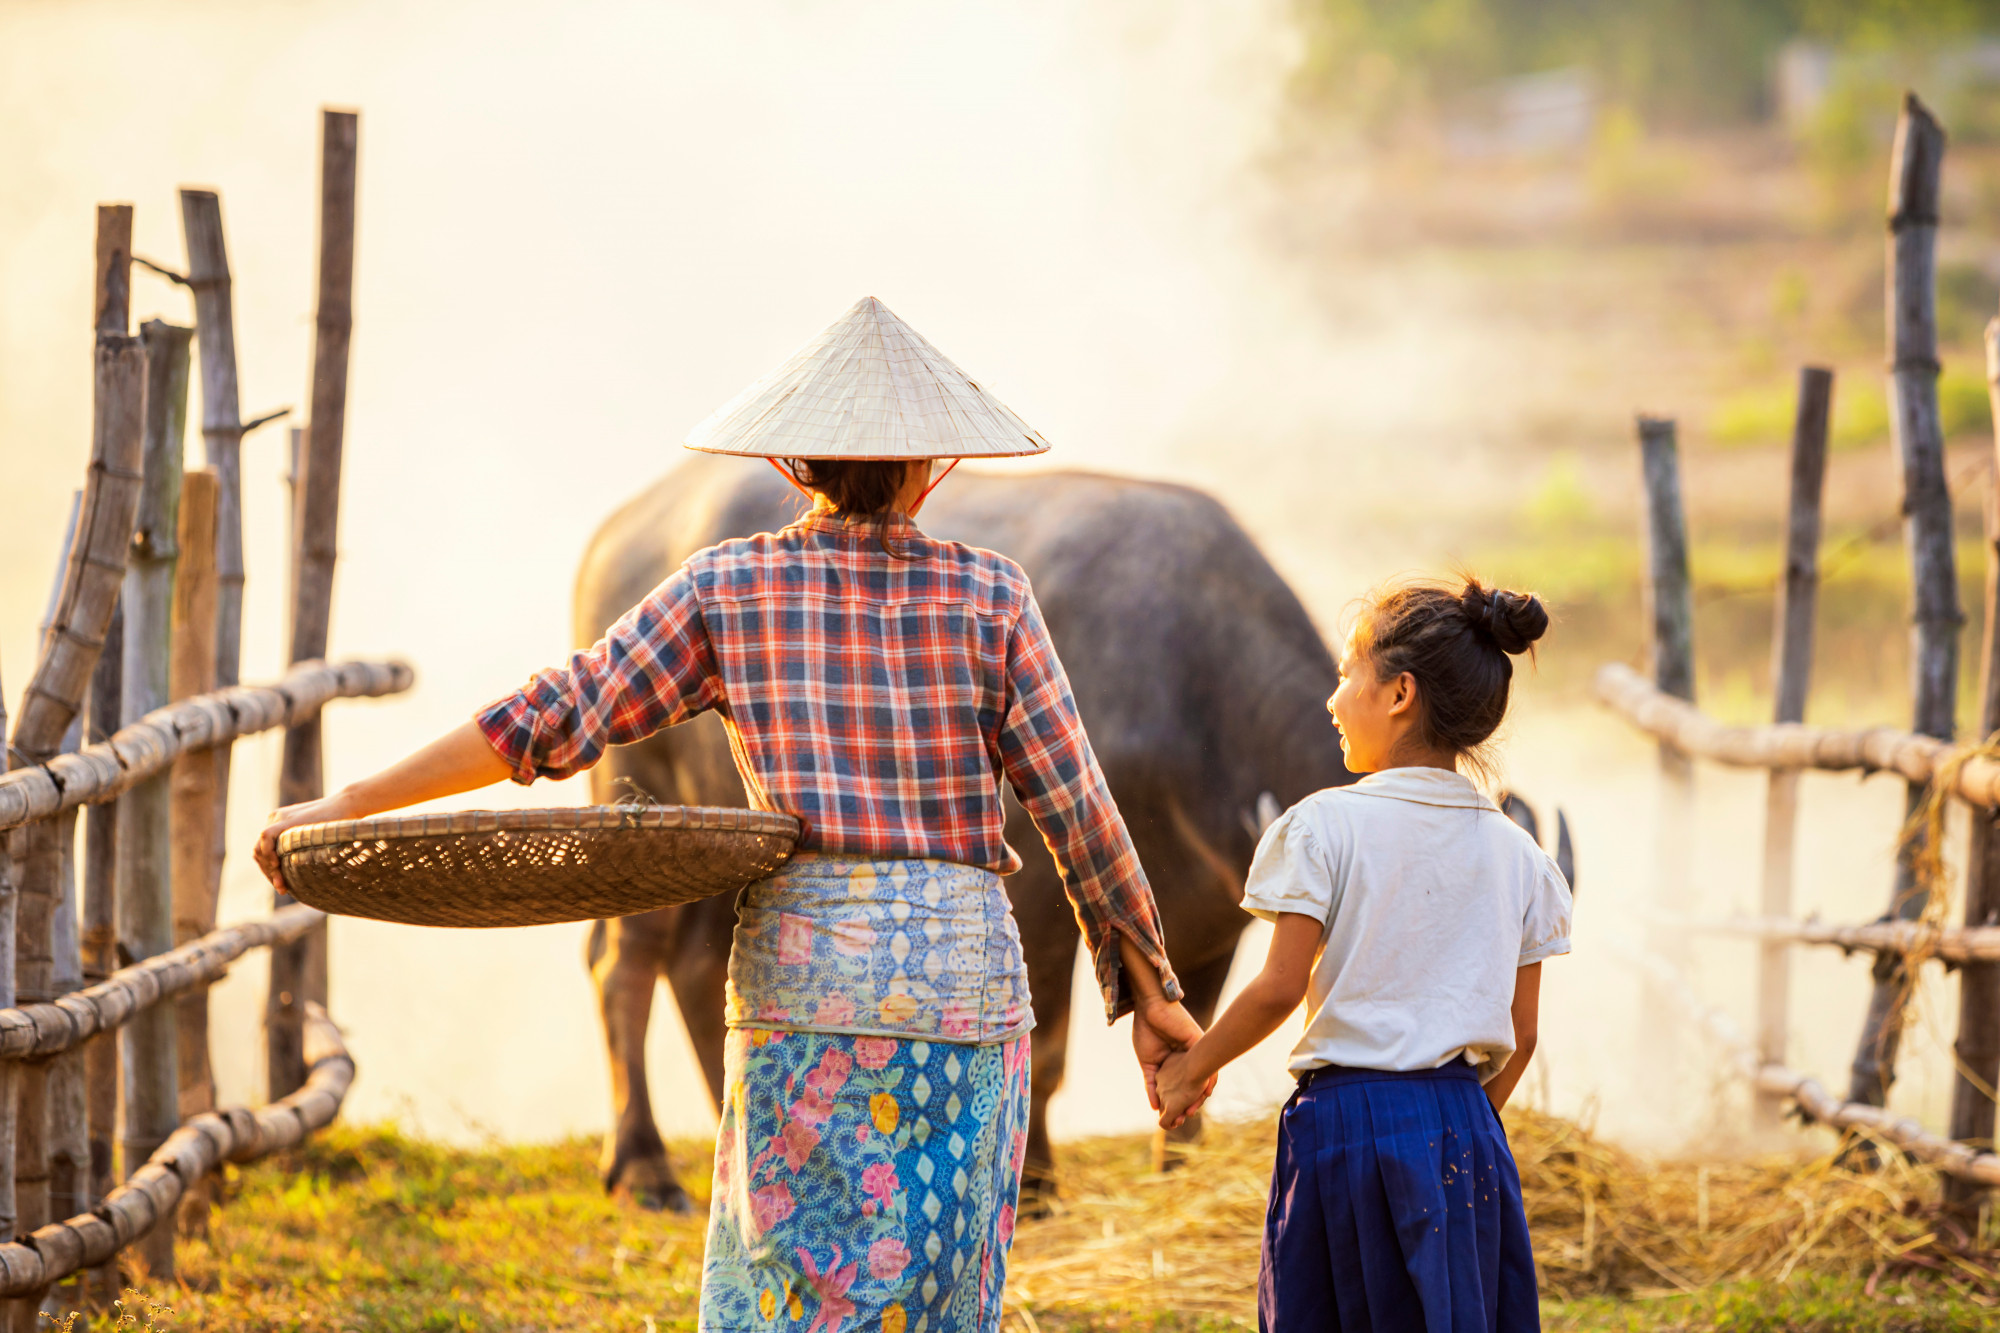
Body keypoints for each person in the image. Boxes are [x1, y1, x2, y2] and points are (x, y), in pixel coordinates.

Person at [253, 297, 1203, 1333]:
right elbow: (1077, 810)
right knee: (937, 1283)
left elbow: (548, 717)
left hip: (803, 978)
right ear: (936, 468)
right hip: (958, 987)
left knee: (796, 1279)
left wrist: (350, 800)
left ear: (791, 466)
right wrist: (1148, 990)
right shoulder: (993, 595)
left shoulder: (729, 587)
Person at [1154, 577, 1569, 1333]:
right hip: (1466, 1126)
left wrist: (1190, 1067)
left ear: (1400, 692)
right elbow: (1524, 1031)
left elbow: (1280, 988)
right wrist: (1456, 1126)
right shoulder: (1522, 855)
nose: (1333, 697)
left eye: (1348, 673)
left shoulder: (1323, 828)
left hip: (1347, 1121)